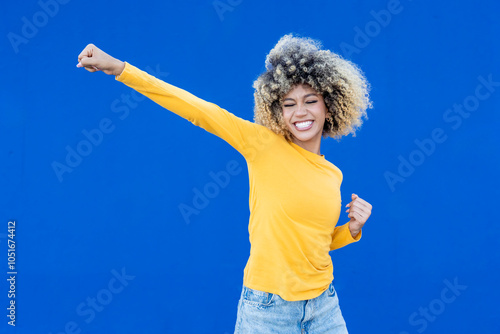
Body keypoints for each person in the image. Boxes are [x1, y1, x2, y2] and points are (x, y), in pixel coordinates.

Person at [76, 34, 373, 333]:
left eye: (311, 101)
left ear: (329, 107)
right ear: (277, 111)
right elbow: (198, 110)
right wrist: (120, 69)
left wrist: (352, 230)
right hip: (269, 308)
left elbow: (315, 243)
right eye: (289, 104)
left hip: (324, 304)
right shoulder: (262, 145)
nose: (300, 112)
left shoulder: (332, 174)